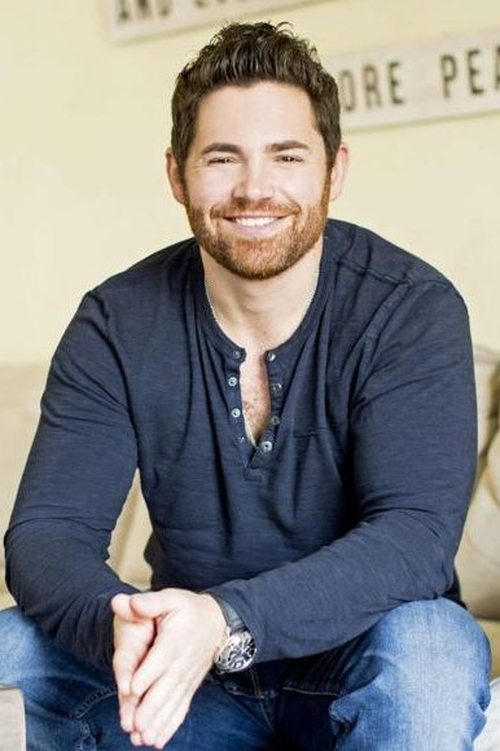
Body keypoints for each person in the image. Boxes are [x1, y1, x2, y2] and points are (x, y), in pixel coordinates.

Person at [0, 21, 492, 750]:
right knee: (13, 650)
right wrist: (128, 627)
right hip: (188, 684)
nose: (254, 188)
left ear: (334, 171)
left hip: (356, 664)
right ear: (177, 175)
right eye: (222, 157)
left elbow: (414, 538)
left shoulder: (410, 308)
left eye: (286, 156)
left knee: (430, 646)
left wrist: (224, 620)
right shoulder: (116, 320)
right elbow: (48, 533)